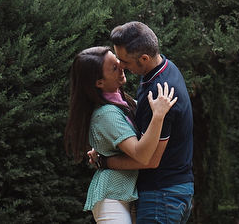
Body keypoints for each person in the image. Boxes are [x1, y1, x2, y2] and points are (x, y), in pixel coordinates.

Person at [91, 22, 194, 224]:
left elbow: (150, 159)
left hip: (162, 195)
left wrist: (105, 161)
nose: (121, 66)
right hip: (174, 191)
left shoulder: (158, 93)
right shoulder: (165, 68)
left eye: (124, 61)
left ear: (144, 59)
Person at [65, 46, 178, 224]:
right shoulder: (106, 114)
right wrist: (158, 116)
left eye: (118, 62)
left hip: (128, 195)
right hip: (112, 198)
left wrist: (104, 156)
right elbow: (142, 155)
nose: (122, 67)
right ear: (99, 82)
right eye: (114, 68)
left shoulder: (123, 100)